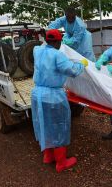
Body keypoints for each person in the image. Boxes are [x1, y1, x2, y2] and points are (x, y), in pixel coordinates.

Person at [31, 29, 88, 173]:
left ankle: (48, 156)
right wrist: (82, 63)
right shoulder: (58, 55)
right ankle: (61, 162)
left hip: (37, 95)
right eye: (59, 41)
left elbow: (42, 45)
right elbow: (73, 71)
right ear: (57, 42)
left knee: (44, 124)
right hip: (53, 96)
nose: (60, 44)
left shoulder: (37, 50)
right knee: (59, 126)